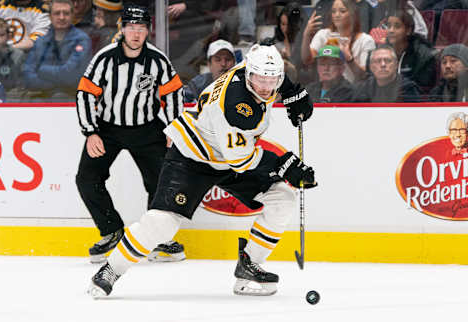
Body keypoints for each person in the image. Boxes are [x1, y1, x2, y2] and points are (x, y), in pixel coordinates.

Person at [87, 44, 317, 298]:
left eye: (271, 80)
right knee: (162, 223)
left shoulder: (248, 70)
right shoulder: (238, 108)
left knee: (282, 197)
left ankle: (249, 266)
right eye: (261, 80)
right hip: (192, 157)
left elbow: (270, 75)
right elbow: (241, 161)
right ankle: (110, 270)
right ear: (249, 76)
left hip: (225, 154)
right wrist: (284, 164)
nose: (265, 87)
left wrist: (293, 93)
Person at [75, 4, 186, 264]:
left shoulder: (158, 60)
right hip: (107, 128)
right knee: (87, 178)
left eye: (141, 28)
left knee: (161, 182)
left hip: (147, 129)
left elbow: (173, 94)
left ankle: (159, 238)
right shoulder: (104, 58)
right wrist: (91, 132)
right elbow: (85, 93)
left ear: (148, 31)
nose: (136, 34)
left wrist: (173, 129)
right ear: (122, 29)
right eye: (131, 27)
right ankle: (112, 232)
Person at [22, 0, 91, 101]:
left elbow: (71, 76)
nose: (61, 17)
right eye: (57, 13)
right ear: (50, 16)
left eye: (66, 13)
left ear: (72, 15)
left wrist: (41, 70)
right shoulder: (41, 41)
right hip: (41, 97)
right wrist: (56, 83)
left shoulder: (82, 39)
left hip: (71, 98)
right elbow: (28, 77)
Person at [301, 0, 376, 83]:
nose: (337, 15)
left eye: (342, 11)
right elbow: (307, 60)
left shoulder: (366, 40)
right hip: (327, 89)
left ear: (353, 14)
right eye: (333, 11)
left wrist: (349, 58)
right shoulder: (323, 35)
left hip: (353, 91)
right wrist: (306, 35)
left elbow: (364, 76)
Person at [384, 9, 437, 91]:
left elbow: (422, 87)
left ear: (408, 30)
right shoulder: (381, 52)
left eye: (397, 26)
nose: (391, 30)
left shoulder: (423, 55)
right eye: (388, 26)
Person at [352, 44, 421, 102]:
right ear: (371, 67)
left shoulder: (407, 88)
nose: (383, 64)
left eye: (388, 60)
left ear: (396, 65)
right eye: (378, 61)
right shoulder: (363, 88)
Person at [183, 39, 236, 103]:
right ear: (209, 64)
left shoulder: (245, 84)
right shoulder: (197, 85)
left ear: (234, 63)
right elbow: (180, 103)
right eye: (218, 60)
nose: (223, 64)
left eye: (228, 59)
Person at [0, 18, 25, 99]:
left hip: (11, 99)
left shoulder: (18, 56)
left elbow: (21, 87)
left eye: (1, 35)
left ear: (9, 36)